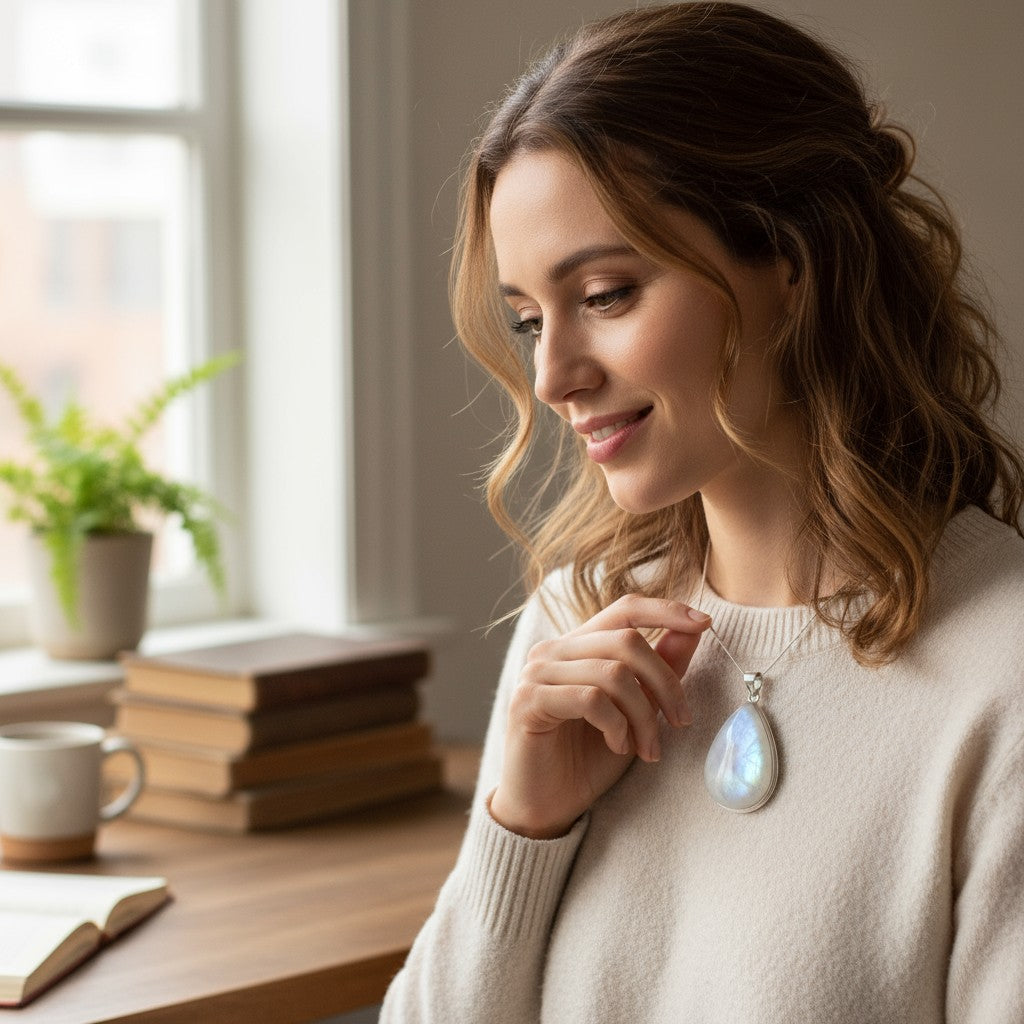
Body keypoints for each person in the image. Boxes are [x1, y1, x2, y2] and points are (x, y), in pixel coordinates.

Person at [381, 3, 1024, 1021]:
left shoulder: (1001, 678)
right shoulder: (578, 627)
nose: (552, 374)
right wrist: (523, 825)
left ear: (791, 265)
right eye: (525, 319)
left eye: (604, 293)